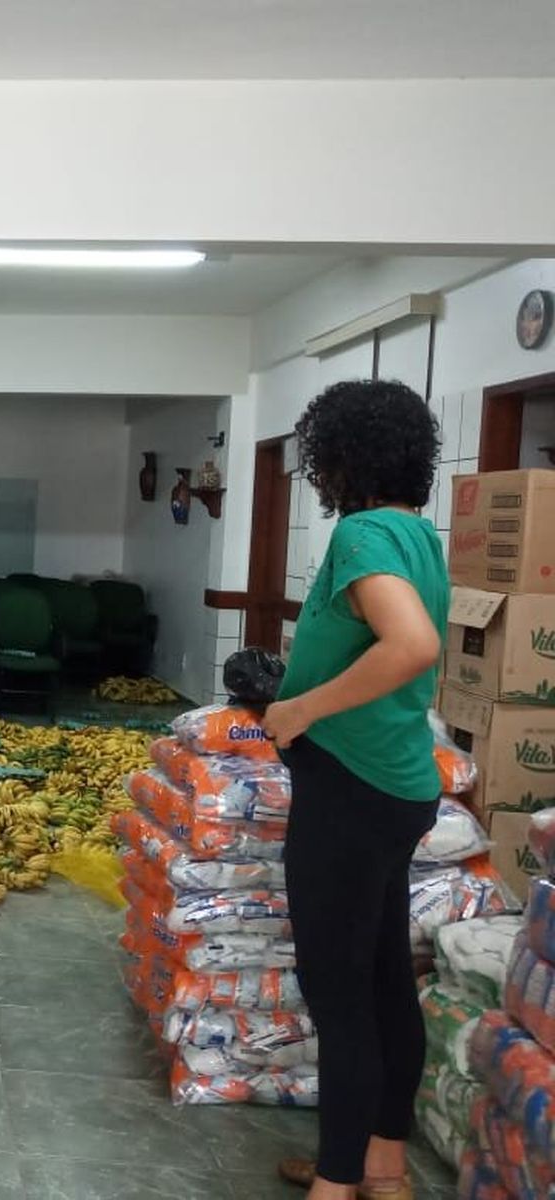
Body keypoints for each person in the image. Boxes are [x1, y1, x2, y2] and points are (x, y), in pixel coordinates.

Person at [261, 380, 448, 1200]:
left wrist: (299, 708)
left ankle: (334, 1186)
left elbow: (410, 645)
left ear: (337, 456)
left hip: (350, 787)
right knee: (380, 978)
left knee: (339, 993)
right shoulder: (417, 533)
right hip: (398, 784)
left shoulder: (364, 533)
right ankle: (383, 1166)